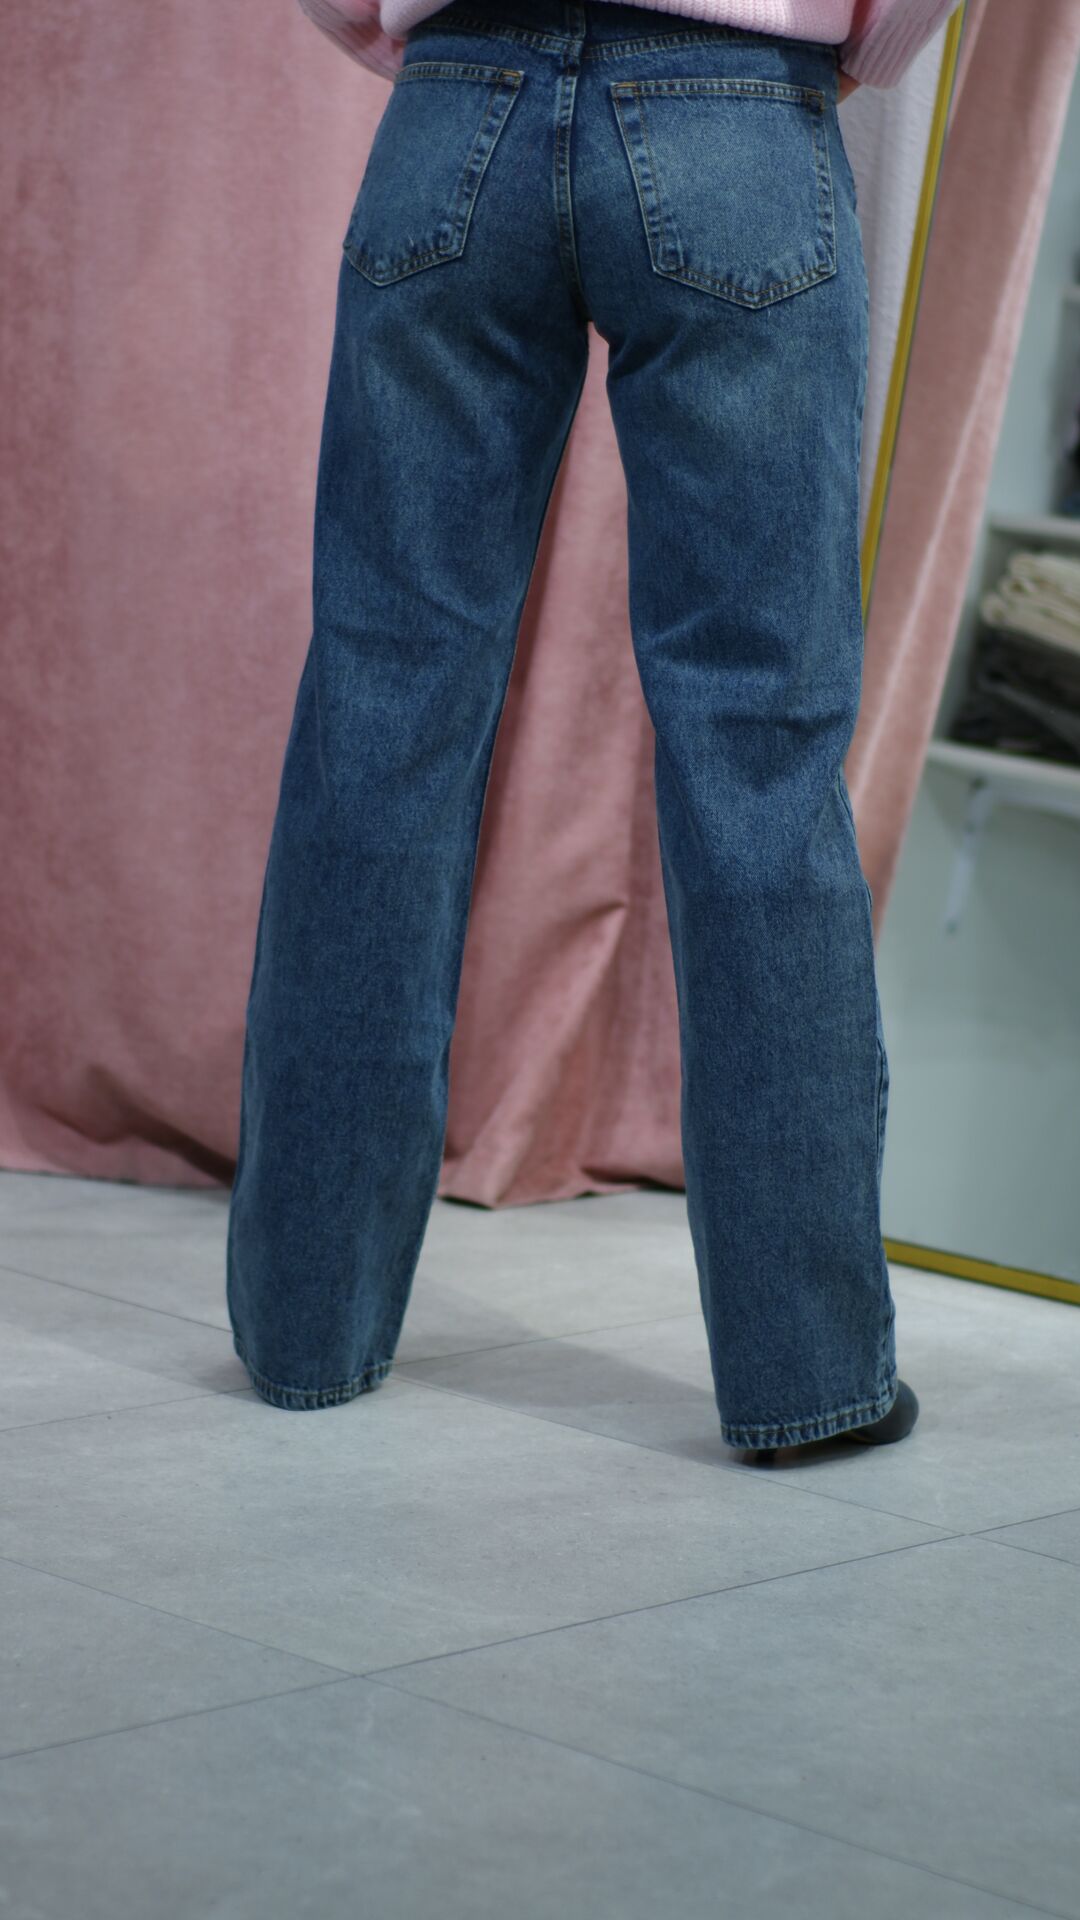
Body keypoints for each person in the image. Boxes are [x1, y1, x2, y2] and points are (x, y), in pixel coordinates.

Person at [226, 0, 957, 1453]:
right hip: (736, 101)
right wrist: (854, 48)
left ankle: (309, 1329)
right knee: (757, 742)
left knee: (382, 707)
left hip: (459, 100)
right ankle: (808, 1381)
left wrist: (415, 38)